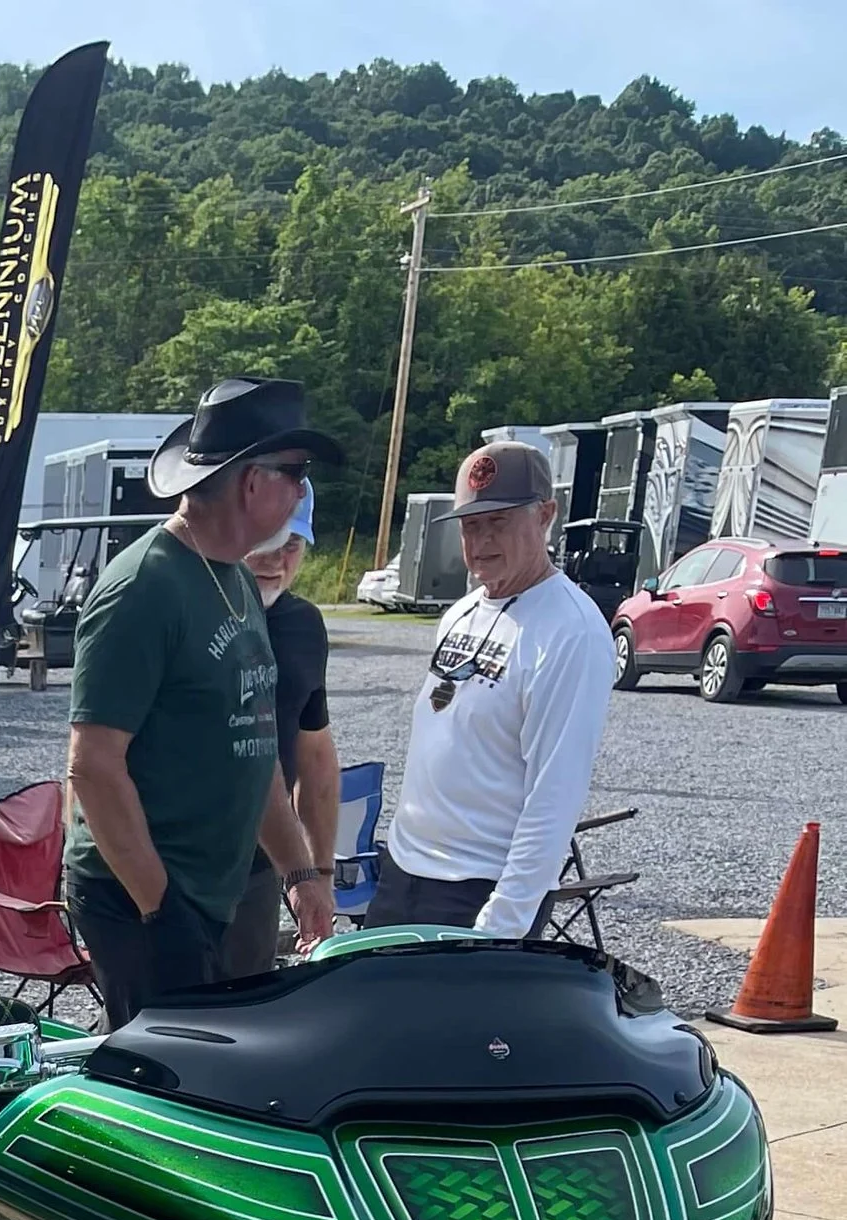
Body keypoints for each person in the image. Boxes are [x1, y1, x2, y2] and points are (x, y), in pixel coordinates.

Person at [64, 377, 344, 1029]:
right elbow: (93, 766)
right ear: (251, 483)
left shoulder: (235, 577)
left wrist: (300, 870)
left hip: (203, 898)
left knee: (218, 1068)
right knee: (164, 1088)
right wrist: (162, 911)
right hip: (141, 901)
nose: (303, 491)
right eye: (295, 472)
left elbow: (255, 751)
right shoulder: (143, 589)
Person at [366, 440, 613, 939]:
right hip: (406, 871)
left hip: (478, 888)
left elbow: (555, 794)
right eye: (470, 525)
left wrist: (503, 924)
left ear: (546, 514)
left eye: (498, 522)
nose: (480, 541)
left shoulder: (571, 630)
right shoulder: (462, 611)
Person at [220, 481, 341, 979]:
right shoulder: (189, 604)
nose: (275, 558)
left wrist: (320, 874)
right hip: (172, 865)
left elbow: (314, 760)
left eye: (291, 544)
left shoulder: (304, 626)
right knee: (151, 1025)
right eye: (265, 542)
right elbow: (95, 754)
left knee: (245, 1016)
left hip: (260, 869)